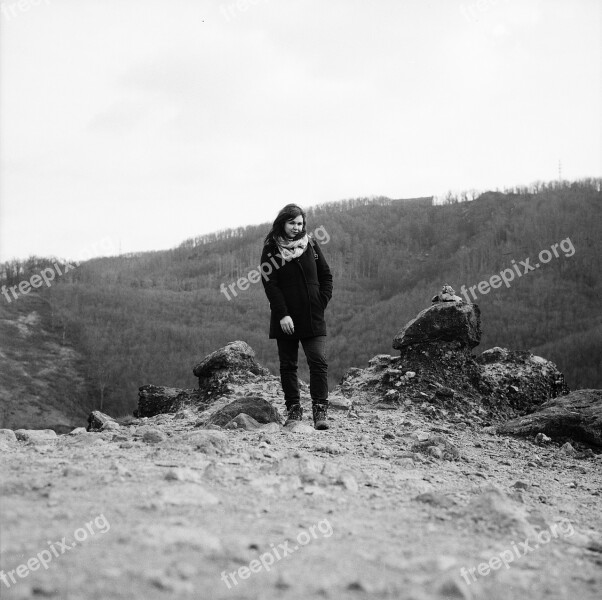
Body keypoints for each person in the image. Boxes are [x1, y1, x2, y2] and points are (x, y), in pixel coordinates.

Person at [260, 204, 333, 430]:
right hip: (286, 318)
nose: (296, 227)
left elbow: (326, 276)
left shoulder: (311, 244)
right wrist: (283, 314)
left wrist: (321, 302)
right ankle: (294, 411)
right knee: (288, 366)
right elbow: (270, 284)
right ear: (283, 222)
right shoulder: (271, 248)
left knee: (318, 362)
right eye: (292, 222)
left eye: (300, 223)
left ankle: (320, 412)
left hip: (313, 314)